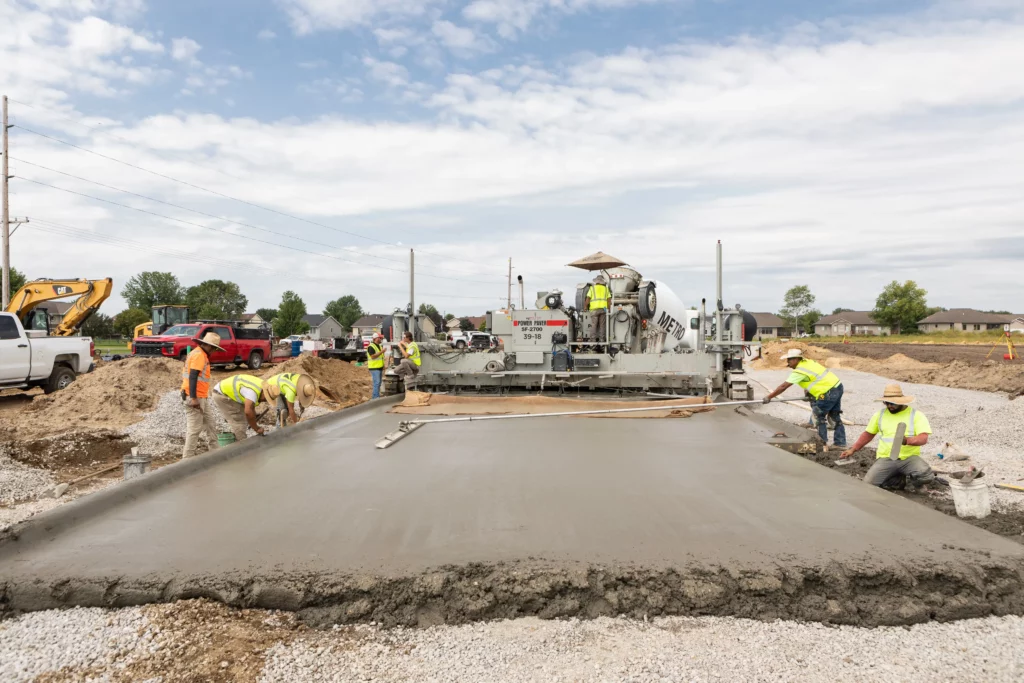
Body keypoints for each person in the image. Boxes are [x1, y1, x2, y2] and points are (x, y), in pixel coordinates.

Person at [840, 384, 936, 488]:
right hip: (887, 458)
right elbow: (868, 434)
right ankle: (896, 479)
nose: (889, 406)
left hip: (909, 458)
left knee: (926, 476)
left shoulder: (916, 415)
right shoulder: (880, 415)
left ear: (900, 401)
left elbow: (923, 438)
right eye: (886, 403)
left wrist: (907, 441)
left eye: (892, 403)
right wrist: (852, 449)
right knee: (868, 484)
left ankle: (917, 485)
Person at [762, 348, 846, 450]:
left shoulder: (799, 371)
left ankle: (822, 445)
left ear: (797, 359)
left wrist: (769, 397)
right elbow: (813, 377)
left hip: (827, 392)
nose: (788, 362)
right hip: (837, 386)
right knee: (834, 416)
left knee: (818, 417)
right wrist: (808, 391)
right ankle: (840, 443)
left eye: (790, 359)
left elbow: (783, 386)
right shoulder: (809, 363)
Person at [181, 332, 223, 459]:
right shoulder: (199, 355)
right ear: (209, 346)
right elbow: (193, 376)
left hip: (201, 396)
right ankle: (187, 459)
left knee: (211, 423)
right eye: (214, 348)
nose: (214, 351)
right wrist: (193, 398)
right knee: (194, 429)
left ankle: (215, 451)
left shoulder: (199, 353)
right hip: (194, 397)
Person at [211, 373, 268, 441]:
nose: (264, 401)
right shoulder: (252, 393)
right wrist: (256, 428)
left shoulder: (261, 385)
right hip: (222, 395)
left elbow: (251, 407)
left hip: (226, 390)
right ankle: (242, 445)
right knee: (239, 421)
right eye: (265, 399)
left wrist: (252, 417)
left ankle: (239, 436)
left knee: (244, 416)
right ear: (264, 393)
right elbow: (248, 412)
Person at [584, 273, 610, 345]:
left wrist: (585, 307)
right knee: (602, 326)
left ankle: (593, 341)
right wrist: (609, 308)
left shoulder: (592, 288)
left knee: (594, 325)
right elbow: (609, 300)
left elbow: (588, 298)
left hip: (594, 310)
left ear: (596, 281)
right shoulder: (606, 289)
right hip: (603, 310)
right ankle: (602, 341)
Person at [366, 332, 386, 399]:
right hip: (374, 367)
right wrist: (381, 352)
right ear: (376, 338)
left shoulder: (379, 346)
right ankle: (375, 398)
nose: (381, 339)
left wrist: (383, 366)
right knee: (376, 383)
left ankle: (376, 396)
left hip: (379, 367)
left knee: (378, 383)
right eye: (380, 338)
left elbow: (381, 358)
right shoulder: (371, 347)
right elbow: (373, 356)